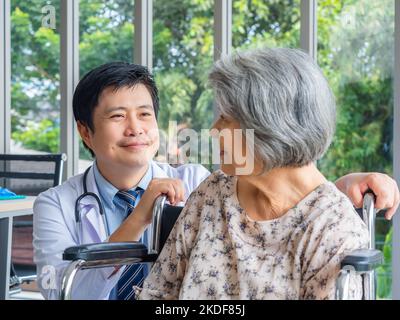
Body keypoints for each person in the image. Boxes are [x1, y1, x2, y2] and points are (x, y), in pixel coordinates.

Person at [33, 61, 399, 301]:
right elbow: (68, 293)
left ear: (265, 124)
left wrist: (340, 188)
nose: (136, 128)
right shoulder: (211, 191)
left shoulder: (195, 180)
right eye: (117, 116)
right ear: (85, 131)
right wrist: (138, 220)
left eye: (145, 114)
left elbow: (289, 197)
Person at [137, 48, 400, 300]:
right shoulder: (213, 192)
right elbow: (158, 293)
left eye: (226, 118)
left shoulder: (333, 229)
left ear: (268, 125)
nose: (214, 130)